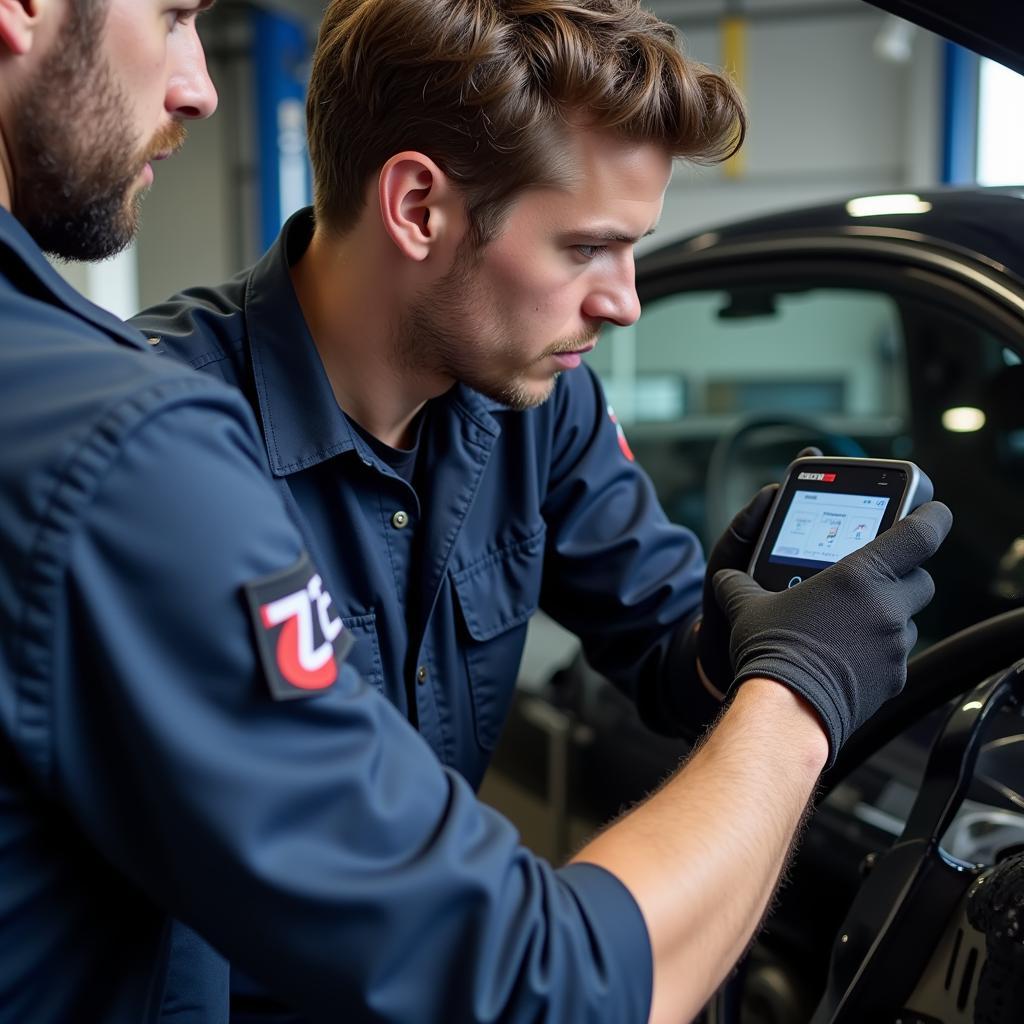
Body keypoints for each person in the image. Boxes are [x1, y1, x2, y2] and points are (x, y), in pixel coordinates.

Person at [0, 2, 949, 1023]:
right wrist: (800, 695)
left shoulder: (533, 399)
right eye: (585, 248)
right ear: (416, 207)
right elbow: (526, 981)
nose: (623, 300)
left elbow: (673, 661)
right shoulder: (163, 442)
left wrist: (740, 628)